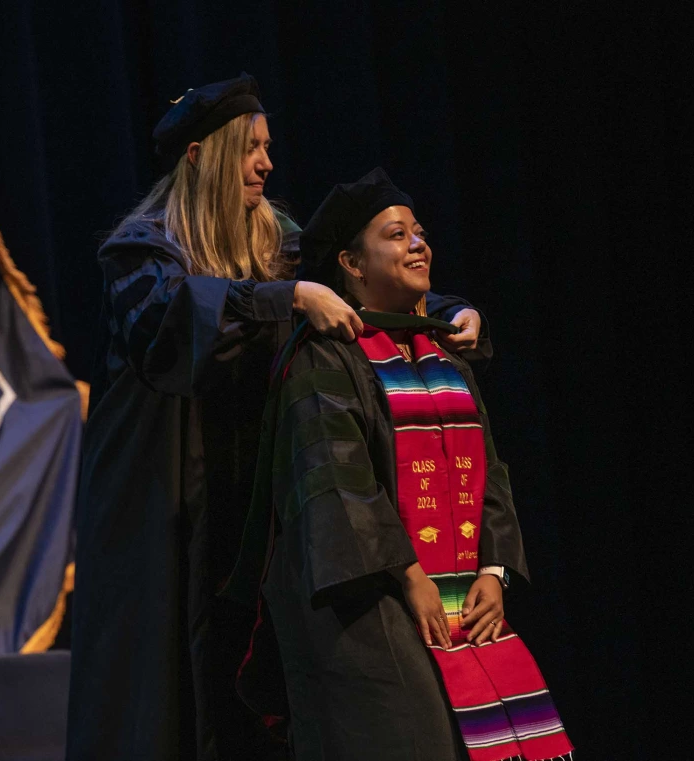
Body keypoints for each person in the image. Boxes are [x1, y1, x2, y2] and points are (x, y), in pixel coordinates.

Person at [66, 75, 488, 761]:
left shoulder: (279, 235)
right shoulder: (140, 249)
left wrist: (443, 312)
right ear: (203, 155)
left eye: (269, 147)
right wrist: (288, 296)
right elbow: (169, 329)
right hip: (166, 496)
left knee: (258, 670)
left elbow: (358, 279)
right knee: (164, 684)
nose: (266, 163)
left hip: (254, 482)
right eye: (250, 148)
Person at [227, 169, 574, 761]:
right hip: (364, 603)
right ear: (352, 264)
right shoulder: (323, 358)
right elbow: (337, 484)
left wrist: (493, 569)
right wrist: (410, 575)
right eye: (396, 234)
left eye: (419, 231)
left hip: (456, 593)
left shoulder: (442, 353)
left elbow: (490, 468)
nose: (419, 243)